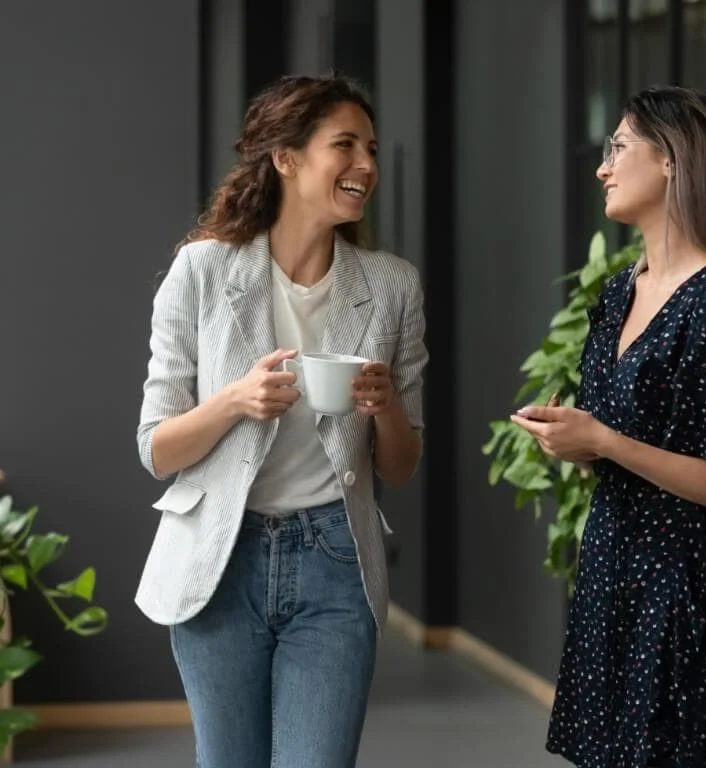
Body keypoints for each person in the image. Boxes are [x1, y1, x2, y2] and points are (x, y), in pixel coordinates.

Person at [135, 74, 428, 768]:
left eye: (373, 148)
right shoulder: (201, 271)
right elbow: (156, 447)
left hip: (334, 558)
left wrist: (384, 405)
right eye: (345, 145)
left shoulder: (392, 286)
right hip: (220, 560)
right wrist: (237, 400)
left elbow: (401, 465)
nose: (366, 165)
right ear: (287, 158)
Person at [511, 86, 706, 767]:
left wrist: (602, 440)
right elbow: (612, 448)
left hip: (685, 591)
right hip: (612, 572)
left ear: (671, 162)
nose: (603, 167)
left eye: (619, 148)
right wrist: (572, 439)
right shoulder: (620, 288)